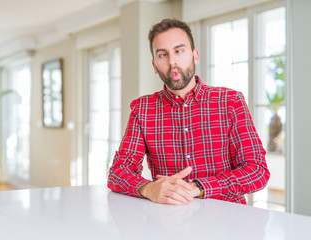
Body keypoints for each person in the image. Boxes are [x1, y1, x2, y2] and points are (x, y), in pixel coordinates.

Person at [107, 18, 270, 205]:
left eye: (179, 51)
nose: (172, 62)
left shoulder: (230, 102)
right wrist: (148, 188)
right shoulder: (142, 109)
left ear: (195, 56)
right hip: (168, 222)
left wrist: (199, 187)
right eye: (162, 55)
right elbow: (118, 173)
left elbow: (257, 171)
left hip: (227, 223)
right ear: (154, 65)